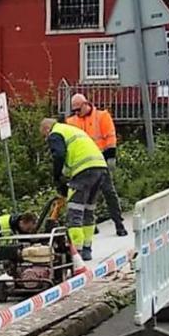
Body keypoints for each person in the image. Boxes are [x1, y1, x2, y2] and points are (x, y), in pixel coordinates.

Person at [40, 118, 108, 261]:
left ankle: (76, 252)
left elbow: (58, 155)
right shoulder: (71, 130)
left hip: (84, 171)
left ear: (47, 130)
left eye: (44, 136)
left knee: (75, 210)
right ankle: (87, 249)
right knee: (88, 210)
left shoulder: (55, 133)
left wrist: (57, 176)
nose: (46, 139)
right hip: (100, 168)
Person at [66, 94, 128, 237]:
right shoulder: (71, 122)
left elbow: (110, 137)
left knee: (109, 193)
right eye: (74, 110)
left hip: (100, 162)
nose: (76, 113)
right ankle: (90, 224)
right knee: (86, 196)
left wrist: (111, 158)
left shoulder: (102, 116)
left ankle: (119, 223)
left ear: (86, 104)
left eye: (78, 109)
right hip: (82, 165)